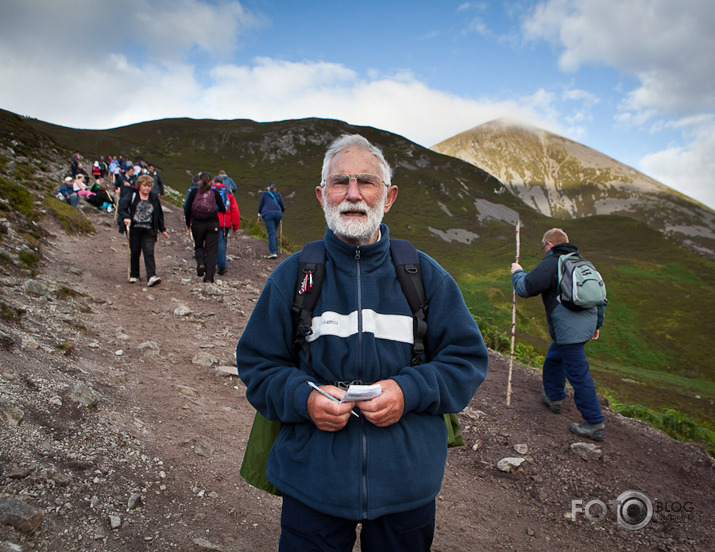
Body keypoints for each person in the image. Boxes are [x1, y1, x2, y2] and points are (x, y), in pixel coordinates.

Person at [236, 134, 489, 551]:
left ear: (387, 197)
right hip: (313, 483)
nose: (353, 194)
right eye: (340, 182)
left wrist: (407, 392)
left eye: (366, 182)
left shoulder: (425, 277)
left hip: (407, 488)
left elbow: (467, 362)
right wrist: (306, 399)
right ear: (322, 196)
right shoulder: (292, 278)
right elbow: (258, 367)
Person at [511, 227, 607, 440]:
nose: (544, 250)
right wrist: (597, 325)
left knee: (578, 374)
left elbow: (526, 288)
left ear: (549, 245)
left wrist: (517, 272)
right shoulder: (583, 263)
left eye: (544, 246)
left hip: (569, 331)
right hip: (584, 326)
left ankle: (594, 422)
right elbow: (600, 297)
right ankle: (554, 397)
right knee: (555, 359)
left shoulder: (553, 262)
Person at [118, 174, 168, 287]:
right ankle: (134, 274)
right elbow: (122, 207)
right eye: (145, 186)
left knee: (149, 251)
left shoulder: (154, 197)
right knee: (135, 251)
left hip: (149, 229)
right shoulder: (132, 195)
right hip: (134, 228)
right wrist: (126, 217)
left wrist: (162, 229)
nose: (147, 188)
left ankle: (151, 276)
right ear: (139, 185)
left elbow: (159, 214)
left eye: (149, 186)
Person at [184, 171, 226, 283]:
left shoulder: (194, 192)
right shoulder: (215, 193)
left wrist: (188, 223)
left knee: (198, 246)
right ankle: (209, 277)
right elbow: (223, 209)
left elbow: (187, 208)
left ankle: (201, 263)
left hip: (197, 224)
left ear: (199, 181)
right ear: (211, 182)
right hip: (213, 224)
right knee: (212, 250)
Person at [212, 176, 240, 276]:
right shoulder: (228, 194)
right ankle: (222, 265)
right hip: (225, 222)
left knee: (213, 243)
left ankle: (218, 265)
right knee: (223, 243)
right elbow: (235, 211)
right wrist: (235, 226)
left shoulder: (209, 192)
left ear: (213, 182)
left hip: (212, 221)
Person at [257, 181, 285, 259]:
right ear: (275, 188)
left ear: (268, 188)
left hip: (268, 214)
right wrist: (280, 212)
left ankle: (273, 252)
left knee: (271, 232)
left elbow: (261, 205)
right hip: (278, 214)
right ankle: (275, 249)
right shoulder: (278, 194)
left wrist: (259, 215)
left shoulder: (265, 194)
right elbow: (283, 206)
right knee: (273, 232)